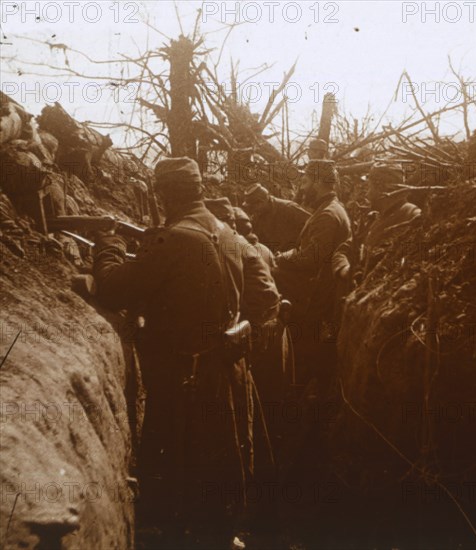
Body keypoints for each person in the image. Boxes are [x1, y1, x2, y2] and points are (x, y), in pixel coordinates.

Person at [92, 157, 279, 547]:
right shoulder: (230, 233)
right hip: (227, 372)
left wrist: (108, 244)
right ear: (197, 191)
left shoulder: (173, 239)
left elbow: (111, 289)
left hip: (185, 382)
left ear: (163, 196)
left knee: (177, 483)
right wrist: (234, 327)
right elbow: (267, 298)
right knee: (222, 472)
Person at [273, 159, 351, 385]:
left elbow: (311, 259)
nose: (302, 187)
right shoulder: (331, 209)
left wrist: (282, 257)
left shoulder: (327, 215)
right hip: (318, 296)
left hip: (315, 301)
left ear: (318, 182)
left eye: (305, 181)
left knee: (307, 356)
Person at [333, 163, 421, 284]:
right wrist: (345, 269)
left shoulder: (411, 216)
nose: (367, 194)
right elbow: (344, 250)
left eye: (370, 187)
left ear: (382, 189)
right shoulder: (374, 218)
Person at [242, 183, 310, 253]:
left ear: (261, 203)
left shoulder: (288, 208)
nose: (252, 211)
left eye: (252, 207)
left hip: (295, 255)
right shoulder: (258, 215)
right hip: (276, 257)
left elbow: (313, 226)